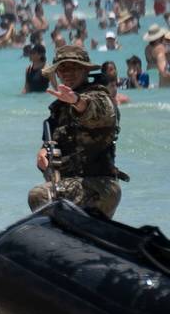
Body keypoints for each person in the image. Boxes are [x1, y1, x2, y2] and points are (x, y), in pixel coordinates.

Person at [28, 45, 127, 218]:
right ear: (57, 73)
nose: (68, 72)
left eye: (74, 67)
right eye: (63, 68)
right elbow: (53, 141)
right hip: (69, 186)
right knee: (43, 195)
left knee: (39, 195)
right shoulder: (59, 108)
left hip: (100, 186)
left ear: (85, 70)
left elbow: (97, 111)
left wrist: (77, 101)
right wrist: (43, 152)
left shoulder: (99, 96)